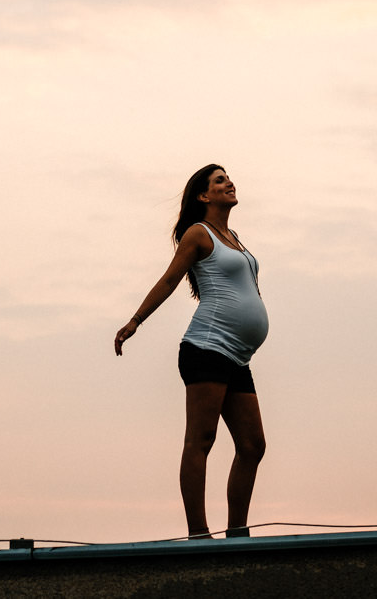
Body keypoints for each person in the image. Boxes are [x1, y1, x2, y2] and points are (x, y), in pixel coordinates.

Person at [114, 164, 269, 539]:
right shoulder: (198, 234)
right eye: (220, 180)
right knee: (201, 439)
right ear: (204, 195)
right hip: (207, 347)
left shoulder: (232, 236)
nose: (229, 182)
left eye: (228, 178)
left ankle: (237, 533)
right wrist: (135, 321)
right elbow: (169, 279)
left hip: (237, 355)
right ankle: (199, 534)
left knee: (252, 445)